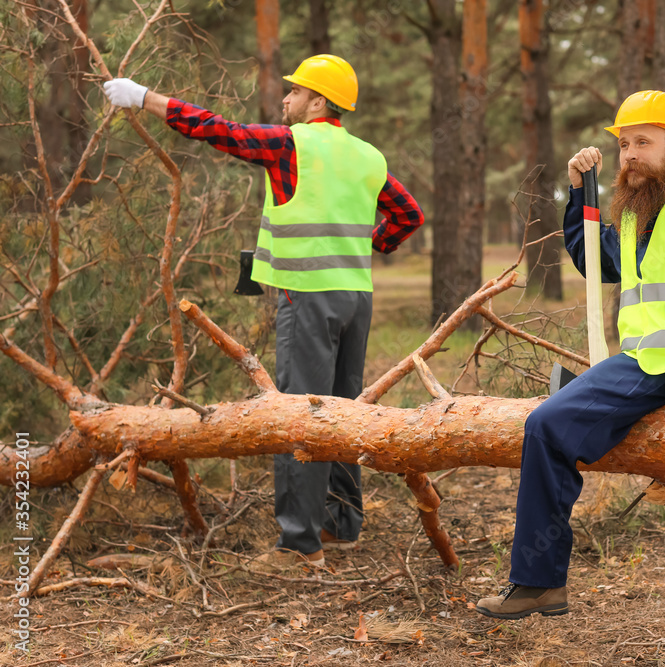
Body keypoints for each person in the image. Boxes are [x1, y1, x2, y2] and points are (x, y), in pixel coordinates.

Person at [475, 90, 665, 651]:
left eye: (644, 143)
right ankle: (538, 583)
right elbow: (595, 261)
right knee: (546, 425)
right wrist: (576, 193)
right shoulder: (637, 211)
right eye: (623, 145)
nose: (630, 155)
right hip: (645, 363)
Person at [103, 55, 425, 569]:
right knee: (342, 413)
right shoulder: (368, 156)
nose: (286, 99)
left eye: (295, 92)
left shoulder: (290, 143)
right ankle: (339, 525)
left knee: (299, 417)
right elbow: (409, 216)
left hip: (306, 296)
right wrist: (372, 243)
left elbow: (217, 130)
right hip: (356, 300)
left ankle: (299, 548)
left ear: (318, 102)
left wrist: (145, 97)